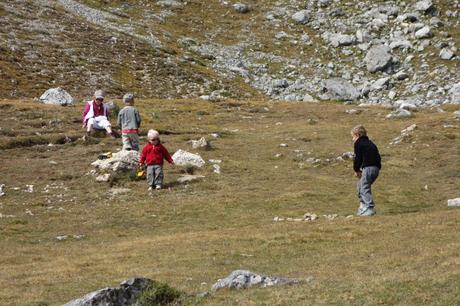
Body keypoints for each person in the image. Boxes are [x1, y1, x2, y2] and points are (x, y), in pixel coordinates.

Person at [351, 125, 381, 216]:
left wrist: (356, 170)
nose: (353, 139)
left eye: (353, 136)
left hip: (368, 168)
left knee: (364, 187)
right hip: (375, 168)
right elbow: (378, 157)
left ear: (358, 135)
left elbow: (358, 158)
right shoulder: (370, 143)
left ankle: (369, 207)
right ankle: (363, 206)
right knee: (360, 185)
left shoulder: (358, 143)